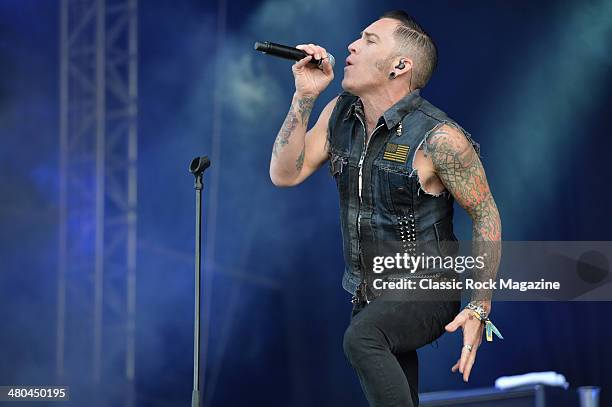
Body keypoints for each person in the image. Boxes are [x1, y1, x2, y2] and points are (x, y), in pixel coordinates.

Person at [269, 10, 502, 407]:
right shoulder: (339, 114)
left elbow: (486, 215)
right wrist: (304, 97)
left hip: (428, 287)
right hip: (369, 291)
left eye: (369, 40)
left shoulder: (439, 137)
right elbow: (284, 174)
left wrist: (480, 307)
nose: (352, 46)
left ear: (400, 65)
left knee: (363, 339)